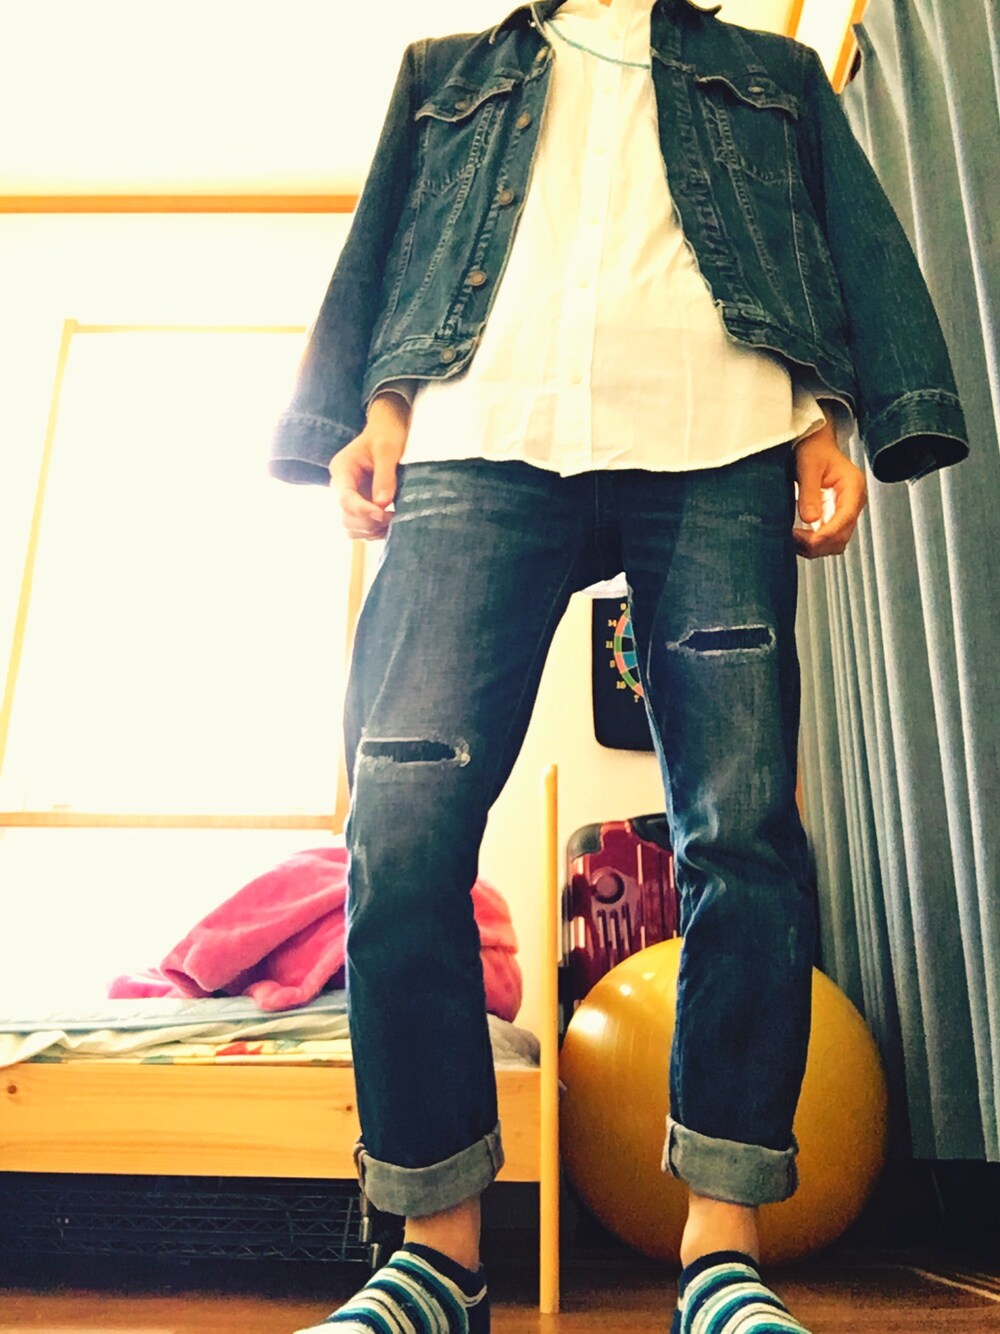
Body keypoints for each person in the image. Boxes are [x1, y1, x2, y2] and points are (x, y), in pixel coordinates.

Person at [269, 1, 969, 1330]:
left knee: (742, 832)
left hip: (719, 439)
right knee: (400, 830)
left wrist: (830, 416)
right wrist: (369, 409)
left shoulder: (769, 71)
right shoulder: (445, 75)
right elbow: (394, 248)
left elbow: (825, 244)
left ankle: (723, 1257)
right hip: (475, 437)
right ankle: (435, 1260)